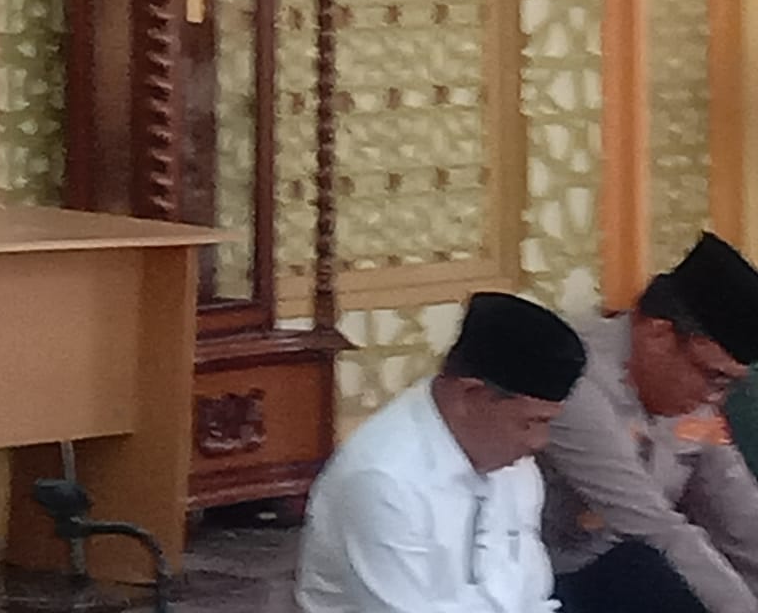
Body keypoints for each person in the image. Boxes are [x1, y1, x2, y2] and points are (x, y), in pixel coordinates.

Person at [296, 291, 587, 612]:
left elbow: (532, 596)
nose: (539, 442)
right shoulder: (383, 481)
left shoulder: (513, 465)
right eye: (530, 422)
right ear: (469, 395)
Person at [539, 233, 758, 613]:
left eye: (727, 385)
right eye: (714, 378)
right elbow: (653, 528)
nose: (715, 399)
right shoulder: (574, 378)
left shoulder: (691, 394)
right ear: (659, 334)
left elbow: (737, 513)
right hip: (559, 580)